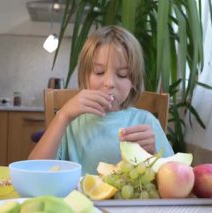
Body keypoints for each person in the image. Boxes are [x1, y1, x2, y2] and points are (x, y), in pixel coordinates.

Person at [29, 25, 174, 175]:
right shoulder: (70, 123)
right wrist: (63, 116)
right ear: (84, 75)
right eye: (99, 72)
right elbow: (33, 171)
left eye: (122, 74)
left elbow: (174, 179)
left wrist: (153, 155)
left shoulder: (146, 122)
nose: (109, 82)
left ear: (134, 82)